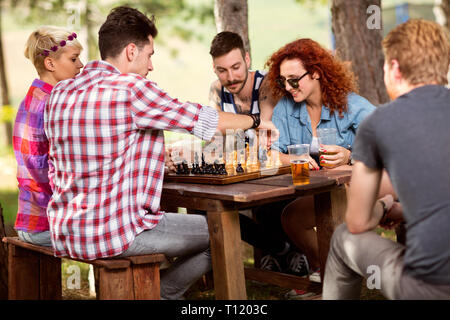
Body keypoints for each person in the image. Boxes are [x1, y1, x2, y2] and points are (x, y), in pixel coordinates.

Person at [43, 6, 276, 300]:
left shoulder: (61, 93)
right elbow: (203, 120)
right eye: (149, 54)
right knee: (223, 230)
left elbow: (76, 158)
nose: (151, 65)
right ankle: (161, 294)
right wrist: (256, 121)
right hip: (114, 234)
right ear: (131, 51)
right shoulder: (131, 89)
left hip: (67, 231)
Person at [323, 19, 450, 300]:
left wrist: (383, 205)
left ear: (394, 67)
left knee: (344, 238)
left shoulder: (379, 123)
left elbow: (358, 222)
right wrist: (401, 210)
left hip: (430, 289)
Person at [263, 38, 386, 298]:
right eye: (282, 81)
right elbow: (270, 153)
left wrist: (350, 155)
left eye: (294, 79)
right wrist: (292, 159)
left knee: (328, 213)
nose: (288, 87)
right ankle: (328, 272)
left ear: (316, 72)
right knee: (291, 218)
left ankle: (333, 281)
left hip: (353, 187)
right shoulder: (286, 107)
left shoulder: (350, 104)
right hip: (316, 190)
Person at [206, 31, 311, 277]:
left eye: (236, 67)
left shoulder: (266, 85)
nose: (230, 77)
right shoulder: (216, 91)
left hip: (281, 169)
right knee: (207, 209)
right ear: (214, 69)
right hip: (245, 174)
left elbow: (265, 134)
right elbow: (214, 138)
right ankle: (277, 248)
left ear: (247, 59)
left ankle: (291, 253)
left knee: (269, 201)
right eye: (222, 70)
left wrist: (233, 132)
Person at [13, 26, 84, 247]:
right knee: (132, 236)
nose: (81, 66)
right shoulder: (53, 105)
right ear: (50, 64)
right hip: (48, 225)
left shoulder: (34, 97)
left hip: (30, 219)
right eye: (74, 59)